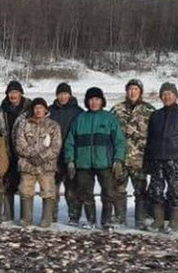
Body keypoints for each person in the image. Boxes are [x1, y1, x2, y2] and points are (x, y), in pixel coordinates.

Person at [63, 86, 124, 229]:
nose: (94, 102)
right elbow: (70, 141)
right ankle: (91, 220)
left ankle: (106, 221)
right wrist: (70, 160)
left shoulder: (109, 118)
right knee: (85, 193)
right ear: (87, 102)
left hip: (105, 163)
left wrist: (118, 159)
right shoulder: (80, 119)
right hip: (83, 164)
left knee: (108, 192)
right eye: (91, 100)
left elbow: (119, 141)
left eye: (97, 99)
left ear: (102, 101)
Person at [145, 82, 178, 233]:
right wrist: (148, 160)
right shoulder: (156, 115)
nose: (167, 97)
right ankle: (158, 220)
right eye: (164, 94)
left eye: (170, 94)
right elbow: (150, 139)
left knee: (175, 192)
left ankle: (174, 222)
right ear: (161, 97)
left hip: (176, 159)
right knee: (155, 191)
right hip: (157, 159)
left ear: (176, 96)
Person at [111, 78, 157, 229]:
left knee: (141, 192)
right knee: (118, 190)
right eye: (130, 89)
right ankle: (120, 219)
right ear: (126, 91)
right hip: (120, 159)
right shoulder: (117, 110)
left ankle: (141, 220)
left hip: (140, 160)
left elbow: (156, 136)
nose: (133, 92)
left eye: (136, 89)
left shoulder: (149, 111)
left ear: (141, 92)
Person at [13, 96, 62, 228]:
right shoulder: (24, 124)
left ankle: (46, 219)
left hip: (46, 166)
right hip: (27, 165)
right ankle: (26, 218)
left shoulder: (53, 126)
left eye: (41, 108)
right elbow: (19, 144)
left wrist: (41, 157)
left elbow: (55, 147)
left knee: (48, 191)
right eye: (36, 108)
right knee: (25, 191)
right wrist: (31, 156)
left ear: (45, 109)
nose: (38, 110)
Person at [48, 82, 83, 226]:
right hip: (53, 156)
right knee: (52, 189)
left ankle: (74, 216)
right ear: (57, 95)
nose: (63, 97)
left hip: (71, 156)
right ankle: (52, 215)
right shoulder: (50, 111)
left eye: (65, 94)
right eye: (60, 94)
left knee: (72, 189)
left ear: (70, 94)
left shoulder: (78, 112)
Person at [0, 80, 30, 222]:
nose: (13, 95)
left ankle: (25, 216)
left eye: (16, 92)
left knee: (25, 186)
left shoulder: (29, 108)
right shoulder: (1, 110)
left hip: (24, 153)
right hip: (7, 151)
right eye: (10, 93)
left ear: (21, 93)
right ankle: (8, 214)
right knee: (8, 184)